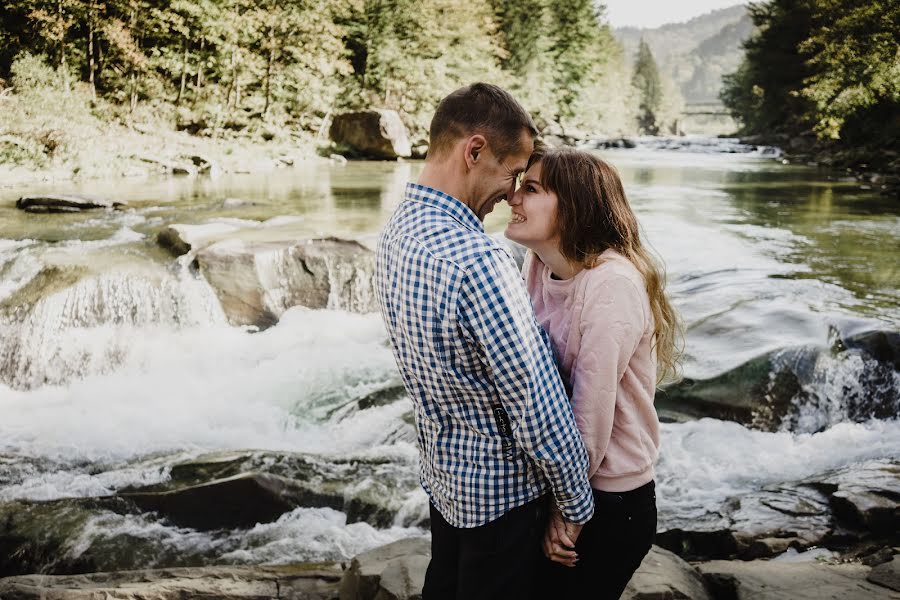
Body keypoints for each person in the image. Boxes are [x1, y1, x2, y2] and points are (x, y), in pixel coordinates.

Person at [374, 84, 595, 600]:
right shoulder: (477, 259)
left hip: (448, 484)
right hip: (502, 502)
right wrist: (576, 504)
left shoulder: (397, 231)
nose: (511, 194)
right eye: (511, 173)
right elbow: (534, 401)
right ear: (473, 152)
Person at [506, 147, 681, 599]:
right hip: (567, 480)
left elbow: (590, 411)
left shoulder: (612, 284)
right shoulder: (538, 265)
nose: (512, 198)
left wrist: (569, 511)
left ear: (575, 205)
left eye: (531, 189)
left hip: (609, 497)